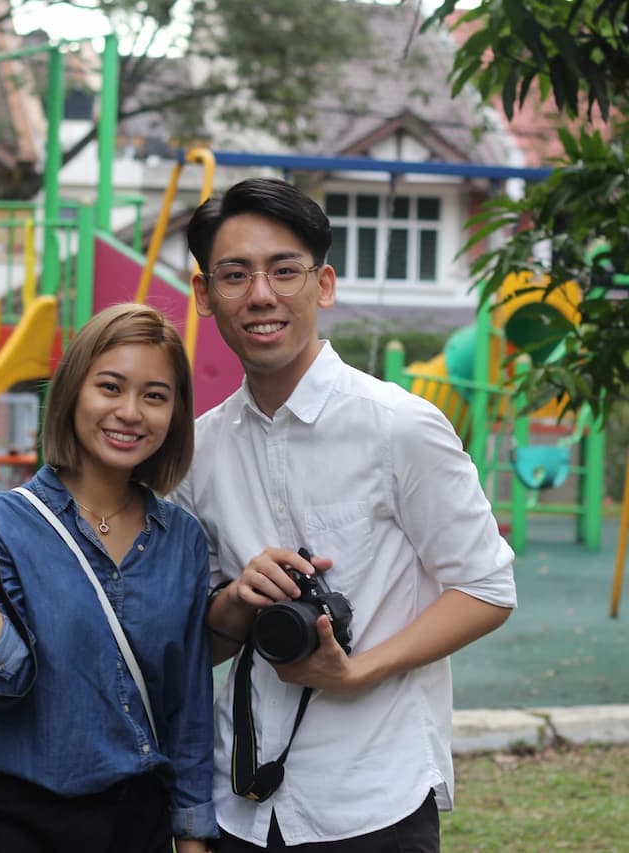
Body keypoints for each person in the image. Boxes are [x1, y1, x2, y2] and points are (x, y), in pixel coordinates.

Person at [171, 178, 517, 851]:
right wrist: (237, 601)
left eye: (285, 270)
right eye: (235, 275)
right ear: (205, 296)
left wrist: (358, 670)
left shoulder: (400, 427)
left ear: (322, 285)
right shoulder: (200, 450)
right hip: (238, 794)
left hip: (373, 795)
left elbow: (487, 587)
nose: (261, 294)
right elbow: (201, 646)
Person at [0, 302, 216, 852]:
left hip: (137, 823)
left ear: (175, 413)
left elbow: (188, 705)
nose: (130, 412)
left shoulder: (183, 541)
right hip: (17, 823)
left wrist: (193, 837)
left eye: (155, 396)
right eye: (110, 387)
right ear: (73, 391)